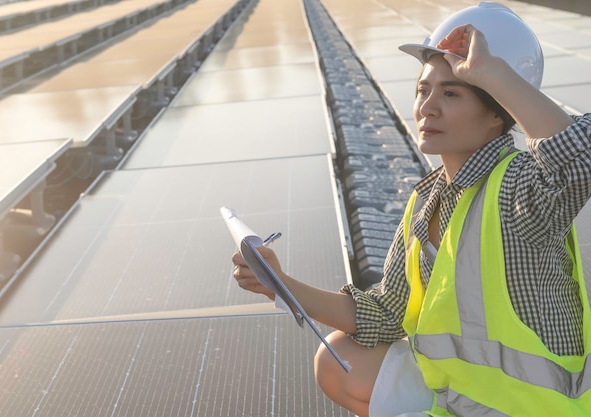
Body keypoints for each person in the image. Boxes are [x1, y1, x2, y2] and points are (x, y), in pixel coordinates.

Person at [231, 2, 591, 416]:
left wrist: (489, 72)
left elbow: (581, 157)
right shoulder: (427, 199)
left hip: (537, 407)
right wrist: (279, 283)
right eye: (423, 90)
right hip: (466, 396)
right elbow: (386, 313)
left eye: (451, 92)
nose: (427, 107)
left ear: (498, 113)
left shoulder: (518, 186)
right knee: (339, 358)